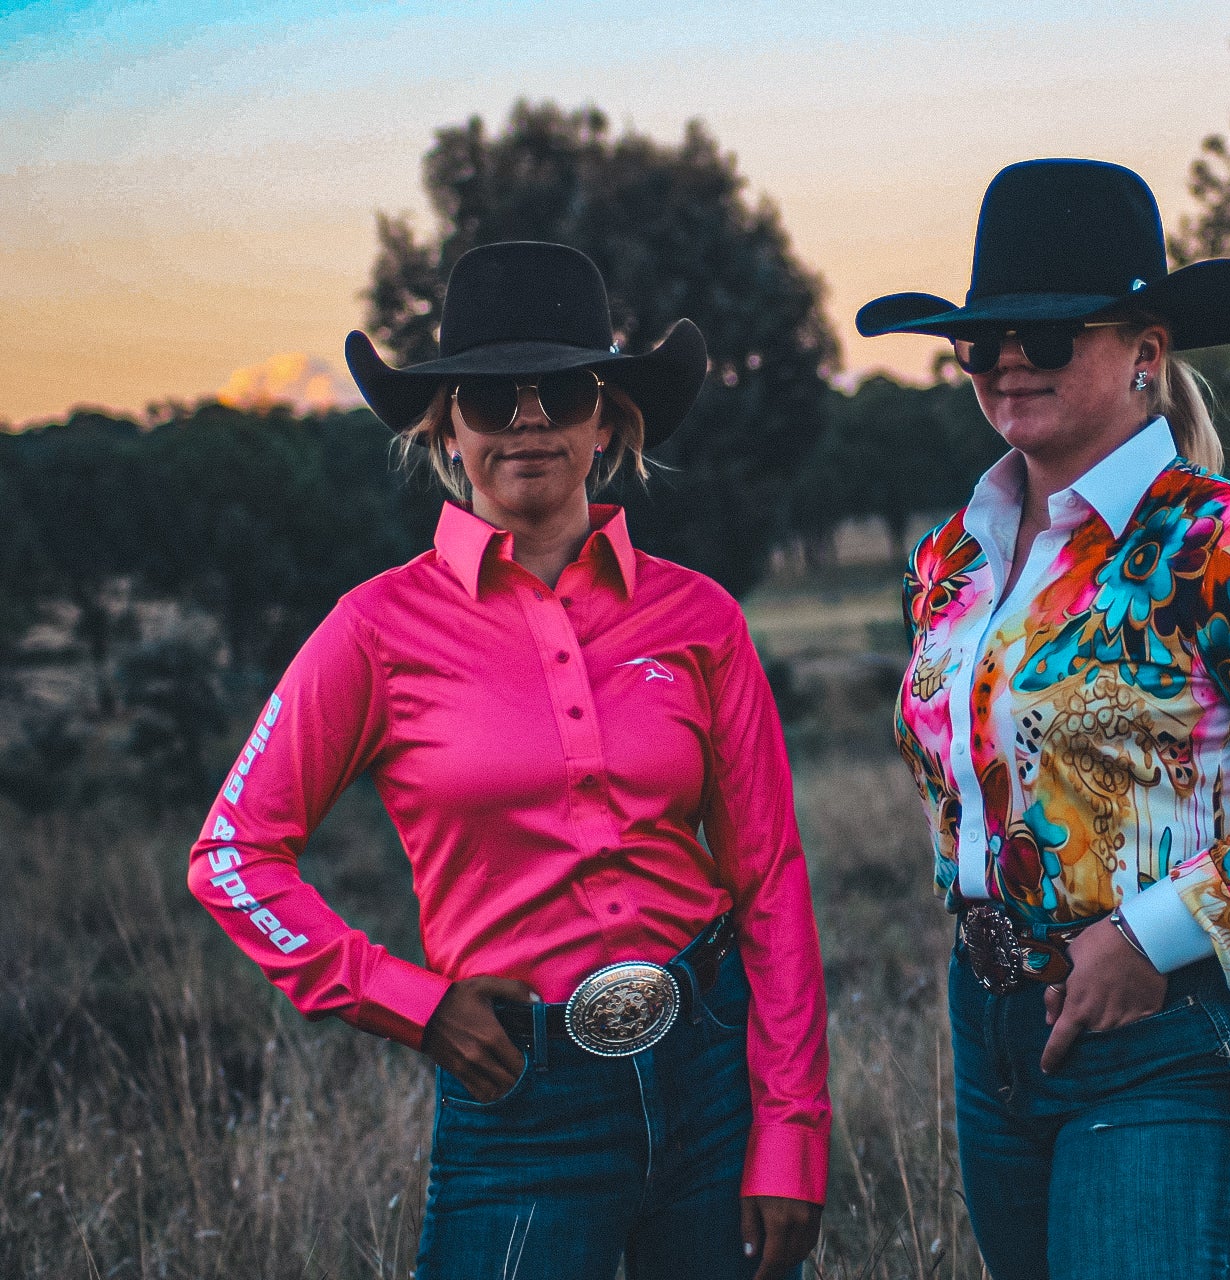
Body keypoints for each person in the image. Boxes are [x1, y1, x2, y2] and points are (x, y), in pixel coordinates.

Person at [188, 241, 828, 1280]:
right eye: (490, 394)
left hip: (713, 1075)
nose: (527, 417)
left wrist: (793, 1123)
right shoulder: (373, 630)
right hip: (518, 1097)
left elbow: (769, 877)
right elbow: (231, 853)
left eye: (561, 389)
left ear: (608, 416)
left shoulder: (700, 617)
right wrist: (410, 999)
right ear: (446, 424)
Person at [859, 159, 1230, 1278]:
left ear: (1147, 351)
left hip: (1181, 1027)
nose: (1009, 359)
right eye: (981, 340)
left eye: (1052, 336)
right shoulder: (950, 560)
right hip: (998, 1032)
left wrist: (1148, 933)